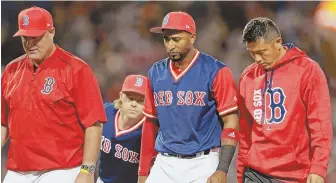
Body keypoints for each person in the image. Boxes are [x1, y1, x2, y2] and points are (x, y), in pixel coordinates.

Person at [1, 6, 107, 183]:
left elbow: (93, 124)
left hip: (62, 169)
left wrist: (87, 170)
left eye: (35, 37)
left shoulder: (77, 70)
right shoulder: (11, 70)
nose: (29, 43)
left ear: (51, 32)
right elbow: (3, 122)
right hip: (18, 170)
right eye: (25, 38)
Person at [137, 11, 240, 183]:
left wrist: (222, 169)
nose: (170, 45)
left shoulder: (216, 71)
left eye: (176, 39)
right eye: (166, 39)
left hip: (202, 161)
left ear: (192, 37)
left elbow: (231, 121)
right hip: (165, 162)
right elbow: (150, 123)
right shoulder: (155, 72)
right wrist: (143, 172)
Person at [236, 17, 333, 183]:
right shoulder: (247, 77)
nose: (257, 59)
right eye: (252, 53)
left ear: (278, 42)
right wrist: (240, 173)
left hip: (294, 174)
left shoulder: (307, 70)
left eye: (262, 52)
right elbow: (246, 132)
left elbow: (320, 125)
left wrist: (318, 168)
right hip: (254, 173)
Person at [97, 75, 147, 183]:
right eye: (130, 98)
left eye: (140, 100)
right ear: (121, 96)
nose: (134, 104)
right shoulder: (105, 113)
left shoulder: (150, 129)